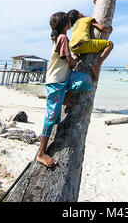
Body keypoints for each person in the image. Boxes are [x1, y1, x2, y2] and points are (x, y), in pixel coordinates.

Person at [36, 12, 92, 168]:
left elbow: (67, 60)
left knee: (85, 80)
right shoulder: (62, 38)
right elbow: (69, 61)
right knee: (52, 114)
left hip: (65, 78)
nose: (70, 22)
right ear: (65, 23)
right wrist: (77, 60)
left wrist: (74, 60)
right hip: (55, 81)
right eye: (69, 20)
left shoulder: (60, 38)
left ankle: (66, 97)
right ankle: (41, 153)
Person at [68, 9, 113, 82]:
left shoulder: (75, 25)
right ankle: (98, 65)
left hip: (72, 47)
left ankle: (70, 71)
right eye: (80, 12)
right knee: (110, 44)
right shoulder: (86, 19)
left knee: (77, 58)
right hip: (84, 44)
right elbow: (101, 27)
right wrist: (109, 29)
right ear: (79, 14)